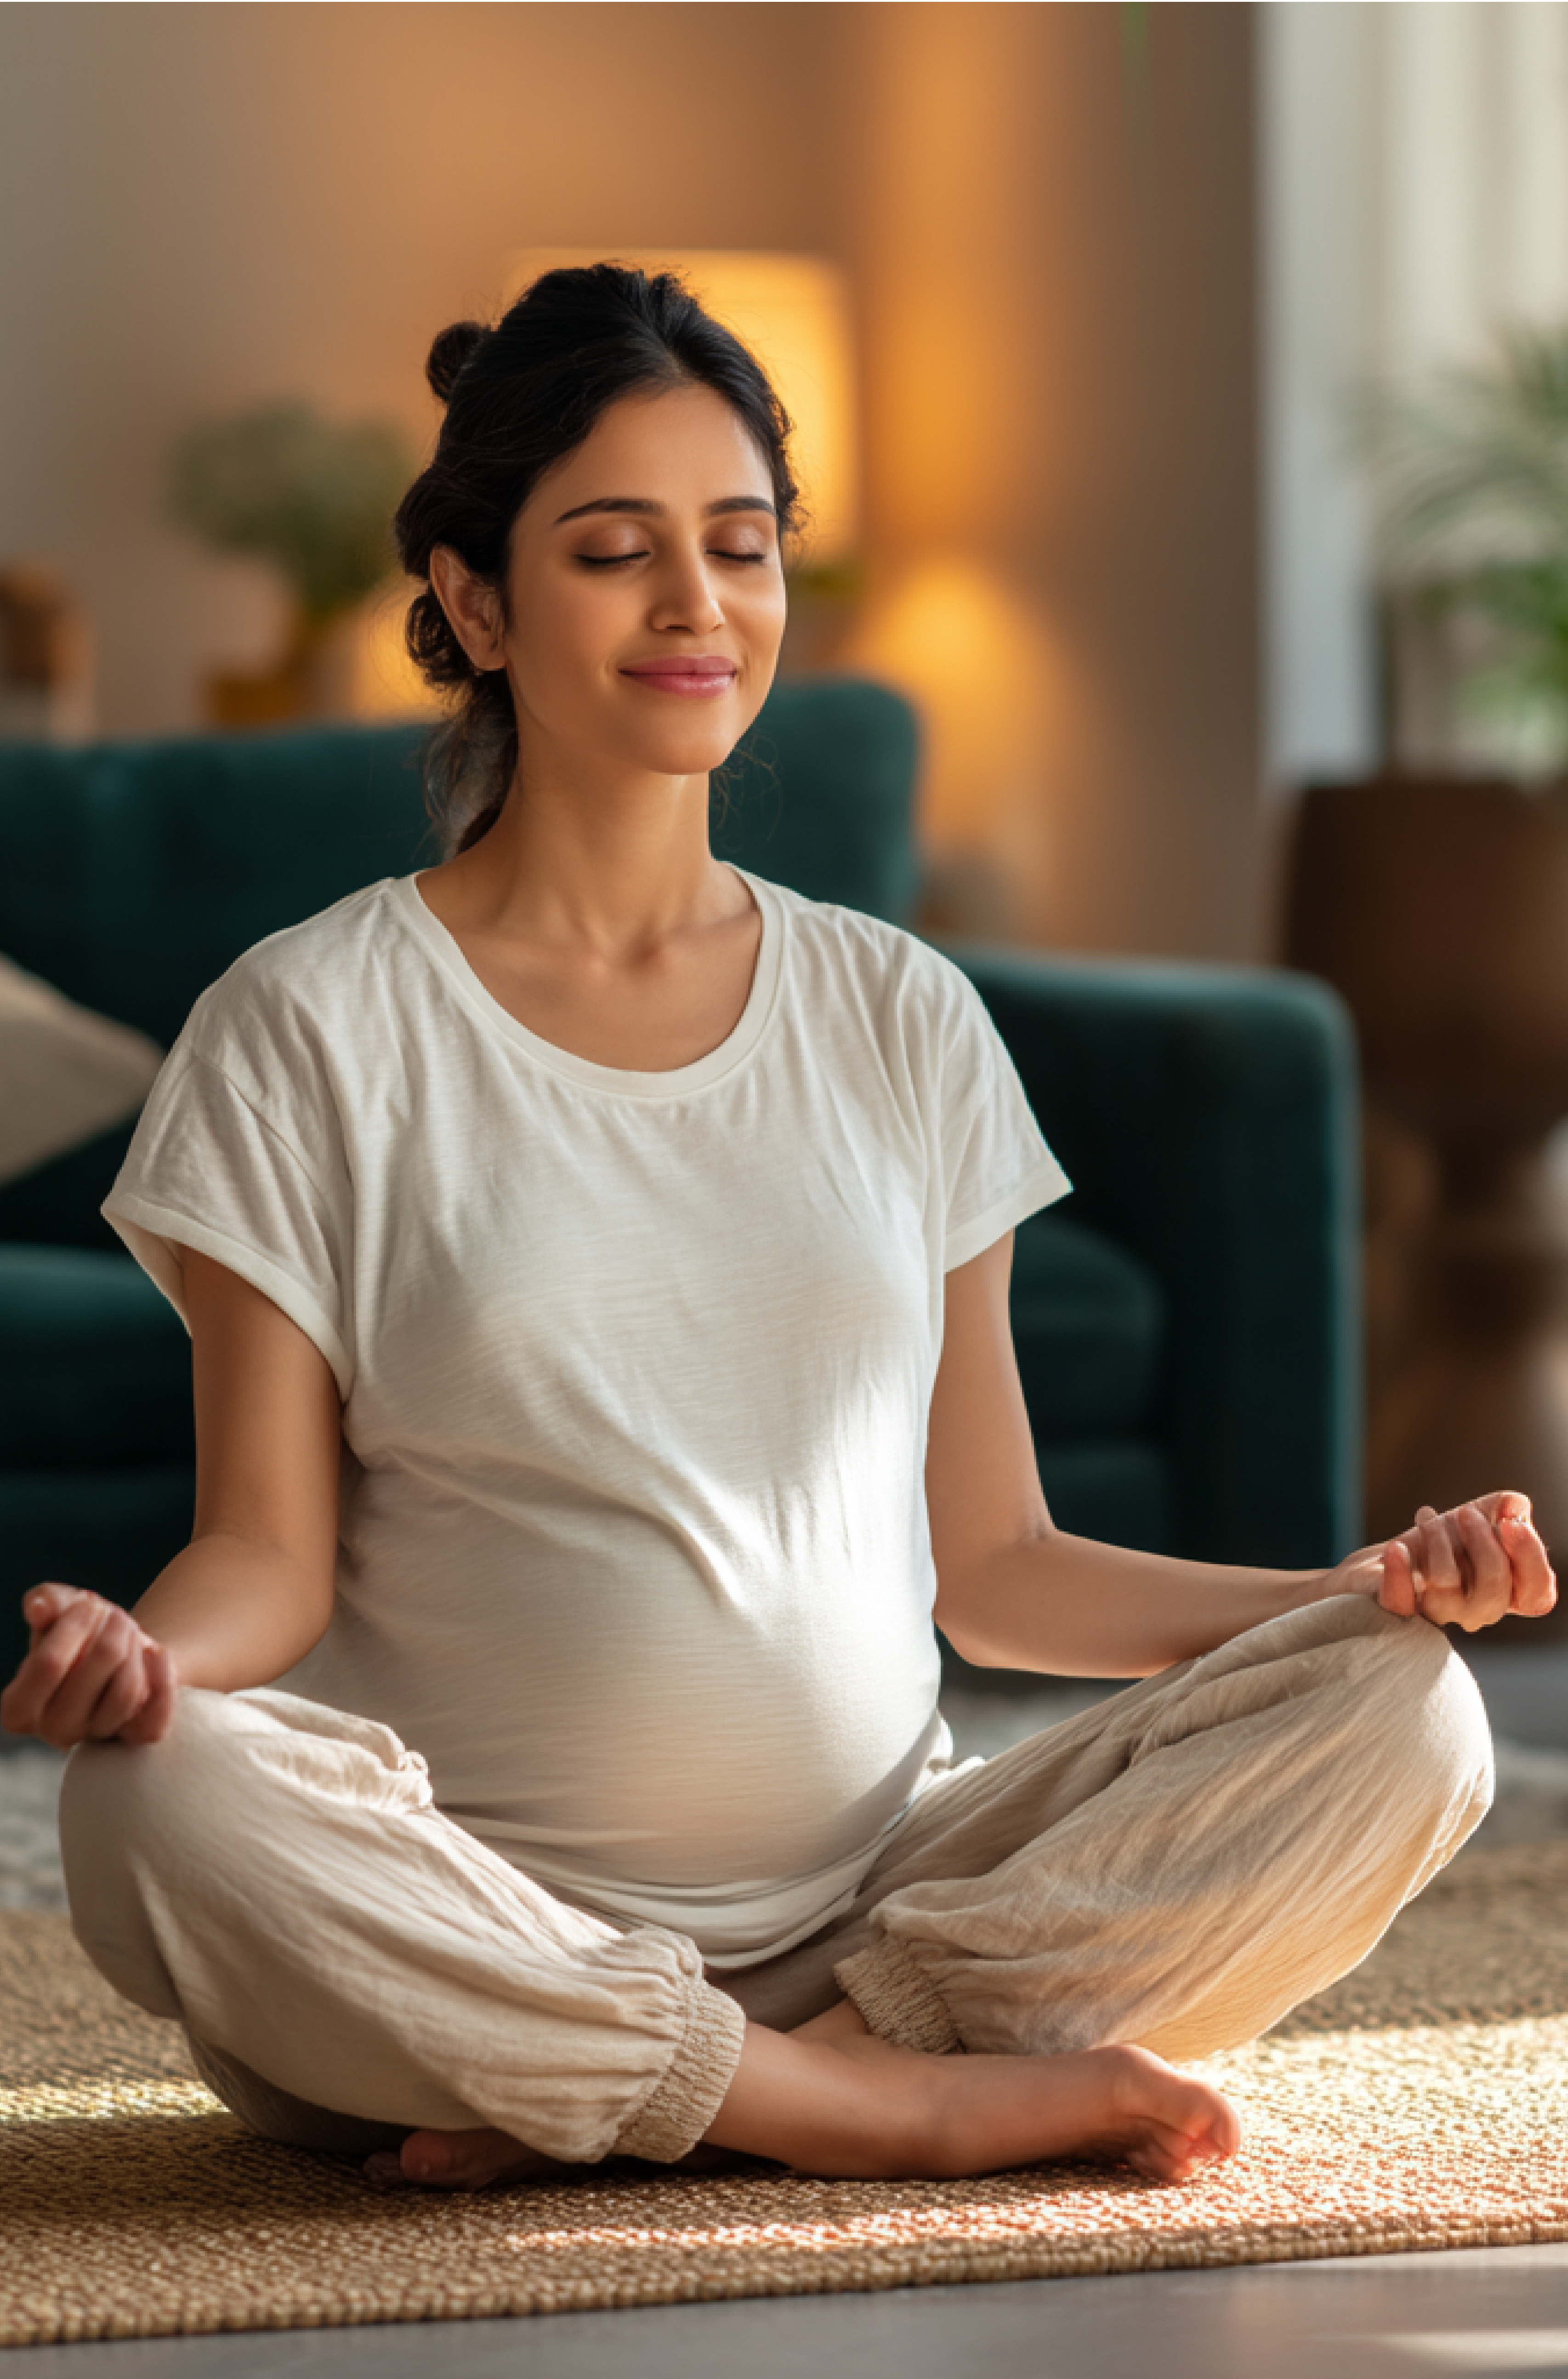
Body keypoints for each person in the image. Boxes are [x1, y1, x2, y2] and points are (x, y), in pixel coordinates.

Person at [1, 266, 1552, 2194]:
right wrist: (144, 1656)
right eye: (611, 551)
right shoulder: (307, 1025)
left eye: (738, 547)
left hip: (882, 1905)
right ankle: (864, 2101)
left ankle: (691, 2073)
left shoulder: (900, 1016)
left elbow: (995, 1569)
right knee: (161, 1800)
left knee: (1412, 1722)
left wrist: (1347, 1593)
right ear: (476, 600)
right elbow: (267, 1554)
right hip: (464, 1913)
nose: (693, 606)